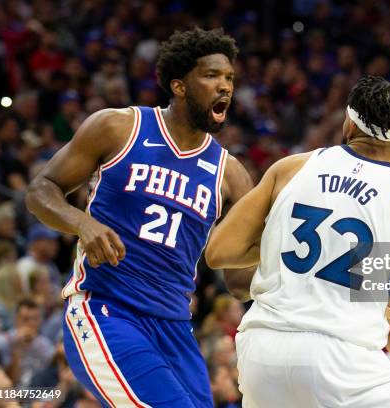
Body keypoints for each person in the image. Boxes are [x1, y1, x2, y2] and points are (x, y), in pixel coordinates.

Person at [25, 27, 253, 408]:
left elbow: (238, 278)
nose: (224, 86)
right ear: (179, 86)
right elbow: (39, 191)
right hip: (106, 311)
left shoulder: (231, 175)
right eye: (212, 75)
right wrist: (83, 223)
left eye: (229, 78)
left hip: (176, 329)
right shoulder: (119, 127)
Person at [206, 76, 390, 407]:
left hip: (261, 351)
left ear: (348, 123)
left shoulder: (289, 168)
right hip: (342, 363)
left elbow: (218, 253)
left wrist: (282, 241)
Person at [0, 298, 54, 387]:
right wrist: (17, 347)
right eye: (26, 319)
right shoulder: (0, 342)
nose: (31, 324)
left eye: (35, 319)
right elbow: (7, 382)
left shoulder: (45, 345)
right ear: (16, 319)